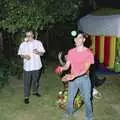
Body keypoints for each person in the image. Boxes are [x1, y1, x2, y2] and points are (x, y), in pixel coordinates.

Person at [56, 32, 94, 120]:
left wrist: (74, 75)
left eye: (79, 38)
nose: (77, 40)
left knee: (87, 99)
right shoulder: (71, 52)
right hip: (72, 79)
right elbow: (67, 65)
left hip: (84, 79)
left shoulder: (88, 53)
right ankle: (68, 112)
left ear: (84, 40)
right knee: (70, 97)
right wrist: (62, 68)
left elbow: (85, 69)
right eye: (76, 38)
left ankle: (89, 116)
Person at [18, 31, 45, 104]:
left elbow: (42, 53)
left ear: (33, 35)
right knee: (26, 82)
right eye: (27, 36)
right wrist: (25, 56)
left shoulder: (38, 43)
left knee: (35, 80)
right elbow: (20, 54)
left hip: (37, 66)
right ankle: (26, 97)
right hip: (27, 67)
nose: (29, 37)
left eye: (30, 35)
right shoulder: (23, 44)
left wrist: (38, 52)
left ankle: (35, 92)